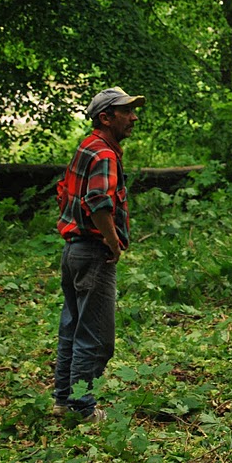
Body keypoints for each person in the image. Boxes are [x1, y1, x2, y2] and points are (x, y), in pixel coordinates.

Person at [52, 87, 145, 422]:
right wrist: (112, 242)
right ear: (105, 117)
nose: (134, 117)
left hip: (73, 251)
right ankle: (81, 407)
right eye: (126, 111)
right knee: (96, 338)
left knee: (73, 327)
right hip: (93, 252)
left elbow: (66, 193)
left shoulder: (87, 147)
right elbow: (98, 202)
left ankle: (63, 400)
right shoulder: (104, 154)